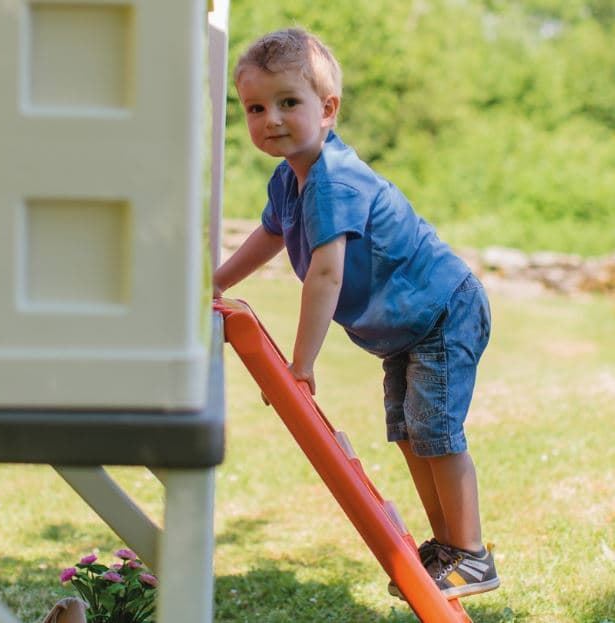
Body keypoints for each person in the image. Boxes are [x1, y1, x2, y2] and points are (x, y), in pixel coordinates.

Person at [213, 27, 499, 599]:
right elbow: (269, 236)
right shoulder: (288, 180)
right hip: (408, 329)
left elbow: (326, 272)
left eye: (288, 102)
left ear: (327, 109)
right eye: (255, 107)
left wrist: (301, 364)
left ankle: (471, 554)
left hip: (443, 311)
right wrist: (213, 282)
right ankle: (447, 548)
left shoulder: (334, 180)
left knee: (436, 431)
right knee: (411, 435)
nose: (271, 118)